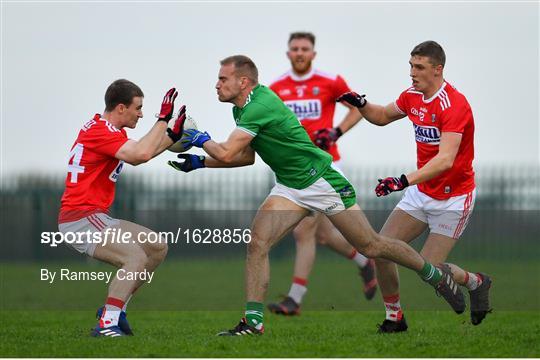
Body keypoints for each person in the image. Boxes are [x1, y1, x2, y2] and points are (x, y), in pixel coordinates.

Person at [168, 55, 465, 336]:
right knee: (257, 242)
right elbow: (245, 157)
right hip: (289, 187)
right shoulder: (242, 109)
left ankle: (433, 275)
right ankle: (253, 323)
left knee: (371, 246)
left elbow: (229, 150)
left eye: (223, 78)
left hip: (321, 182)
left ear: (243, 81)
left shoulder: (259, 105)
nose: (217, 84)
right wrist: (200, 161)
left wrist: (199, 139)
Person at [337, 40, 492, 333]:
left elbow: (445, 160)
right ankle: (394, 317)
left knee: (431, 268)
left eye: (419, 67)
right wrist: (360, 103)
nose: (412, 72)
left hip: (453, 198)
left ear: (438, 69)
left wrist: (403, 180)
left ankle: (476, 282)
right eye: (410, 65)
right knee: (380, 250)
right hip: (421, 193)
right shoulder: (412, 96)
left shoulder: (454, 104)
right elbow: (382, 116)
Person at [58, 79, 186, 337]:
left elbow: (142, 153)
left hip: (94, 217)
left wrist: (171, 135)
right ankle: (106, 325)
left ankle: (116, 311)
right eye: (138, 107)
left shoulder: (108, 131)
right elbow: (141, 154)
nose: (140, 113)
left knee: (156, 247)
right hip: (80, 219)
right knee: (135, 258)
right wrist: (162, 119)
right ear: (120, 108)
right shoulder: (101, 131)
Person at [266, 32, 376, 316]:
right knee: (324, 237)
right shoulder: (277, 87)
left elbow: (358, 110)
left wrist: (336, 132)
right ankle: (365, 263)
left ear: (313, 54)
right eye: (294, 49)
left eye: (305, 48)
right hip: (294, 169)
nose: (300, 53)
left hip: (325, 166)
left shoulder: (329, 81)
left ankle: (294, 299)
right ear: (287, 53)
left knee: (304, 232)